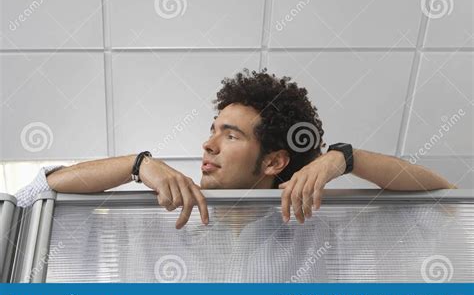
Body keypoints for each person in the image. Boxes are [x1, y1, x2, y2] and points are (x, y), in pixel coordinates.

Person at [15, 69, 459, 283]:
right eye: (212, 131)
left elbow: (445, 199)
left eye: (230, 136)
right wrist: (138, 165)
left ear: (273, 162)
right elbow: (36, 193)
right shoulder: (150, 228)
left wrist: (344, 159)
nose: (207, 145)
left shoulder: (323, 237)